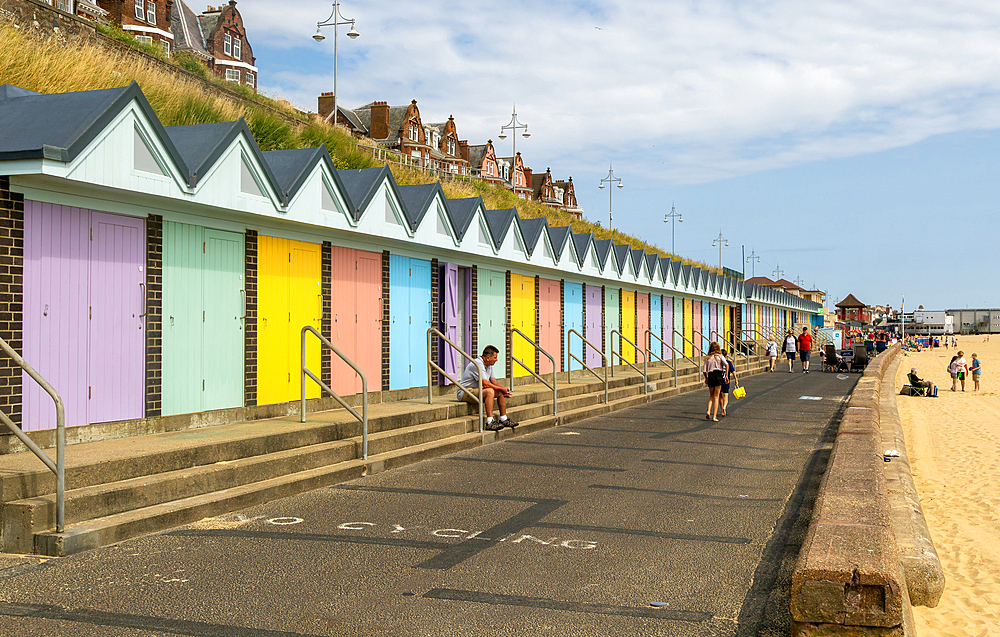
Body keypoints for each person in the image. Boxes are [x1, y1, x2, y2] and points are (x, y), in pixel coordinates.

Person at [457, 345, 518, 431]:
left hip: (477, 390)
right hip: (464, 391)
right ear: (488, 358)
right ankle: (489, 422)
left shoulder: (489, 365)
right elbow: (485, 384)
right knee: (490, 391)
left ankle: (503, 419)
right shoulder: (477, 364)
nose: (496, 360)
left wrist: (504, 390)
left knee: (499, 392)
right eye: (495, 357)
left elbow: (494, 381)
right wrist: (501, 389)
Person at [701, 341, 727, 422]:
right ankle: (714, 416)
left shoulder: (708, 358)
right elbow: (726, 364)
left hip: (711, 376)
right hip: (718, 375)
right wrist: (726, 375)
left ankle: (708, 411)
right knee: (716, 397)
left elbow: (704, 370)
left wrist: (706, 378)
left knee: (711, 396)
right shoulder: (720, 356)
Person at [720, 349, 738, 417]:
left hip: (719, 381)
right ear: (726, 356)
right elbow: (733, 372)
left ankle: (722, 409)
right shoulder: (728, 363)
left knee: (720, 397)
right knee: (726, 397)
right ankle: (724, 407)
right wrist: (736, 379)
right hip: (726, 381)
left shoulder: (718, 363)